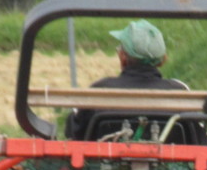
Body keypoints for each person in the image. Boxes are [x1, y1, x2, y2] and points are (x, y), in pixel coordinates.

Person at [65, 19, 195, 141]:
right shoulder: (179, 92)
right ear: (163, 60)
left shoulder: (100, 90)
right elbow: (198, 139)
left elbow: (74, 135)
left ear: (123, 57)